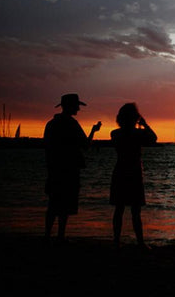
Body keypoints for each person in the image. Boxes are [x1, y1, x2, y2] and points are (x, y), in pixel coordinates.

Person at [43, 93, 101, 244]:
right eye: (77, 106)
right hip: (69, 169)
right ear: (70, 106)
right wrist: (93, 131)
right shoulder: (72, 124)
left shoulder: (50, 124)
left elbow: (47, 148)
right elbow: (85, 145)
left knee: (53, 204)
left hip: (54, 168)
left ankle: (47, 236)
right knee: (65, 206)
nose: (78, 109)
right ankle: (60, 236)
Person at [110, 103, 157, 249]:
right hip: (135, 173)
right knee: (135, 211)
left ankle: (116, 241)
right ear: (135, 118)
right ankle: (140, 242)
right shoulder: (138, 134)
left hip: (119, 172)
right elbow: (153, 138)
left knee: (119, 209)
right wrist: (144, 124)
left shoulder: (115, 133)